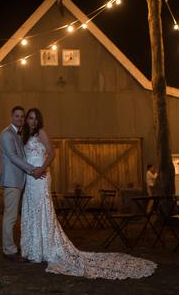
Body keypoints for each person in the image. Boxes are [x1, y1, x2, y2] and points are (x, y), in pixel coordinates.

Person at [19, 107, 156, 279]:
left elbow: (52, 154)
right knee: (30, 209)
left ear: (39, 121)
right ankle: (32, 249)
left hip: (40, 176)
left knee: (41, 209)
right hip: (29, 177)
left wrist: (42, 169)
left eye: (35, 118)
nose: (33, 121)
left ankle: (45, 248)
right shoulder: (23, 136)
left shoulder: (42, 134)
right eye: (30, 118)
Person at [0, 106, 39, 262]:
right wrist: (32, 169)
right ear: (11, 117)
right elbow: (14, 157)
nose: (20, 119)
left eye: (22, 116)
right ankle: (9, 251)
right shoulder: (6, 135)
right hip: (11, 181)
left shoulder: (17, 134)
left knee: (13, 216)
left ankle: (11, 248)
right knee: (10, 217)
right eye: (17, 116)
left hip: (19, 181)